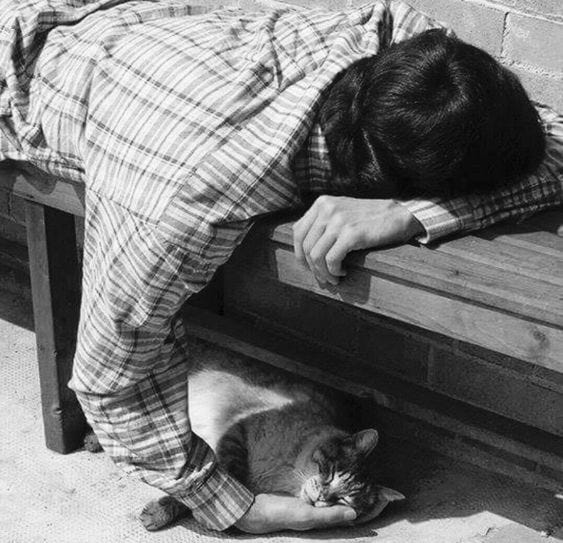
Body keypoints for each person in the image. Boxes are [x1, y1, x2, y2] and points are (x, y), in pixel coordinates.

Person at [0, 0, 561, 534]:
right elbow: (109, 378)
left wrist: (412, 213)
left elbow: (553, 139)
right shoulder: (189, 197)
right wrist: (236, 506)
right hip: (28, 68)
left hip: (133, 31)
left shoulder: (402, 50)